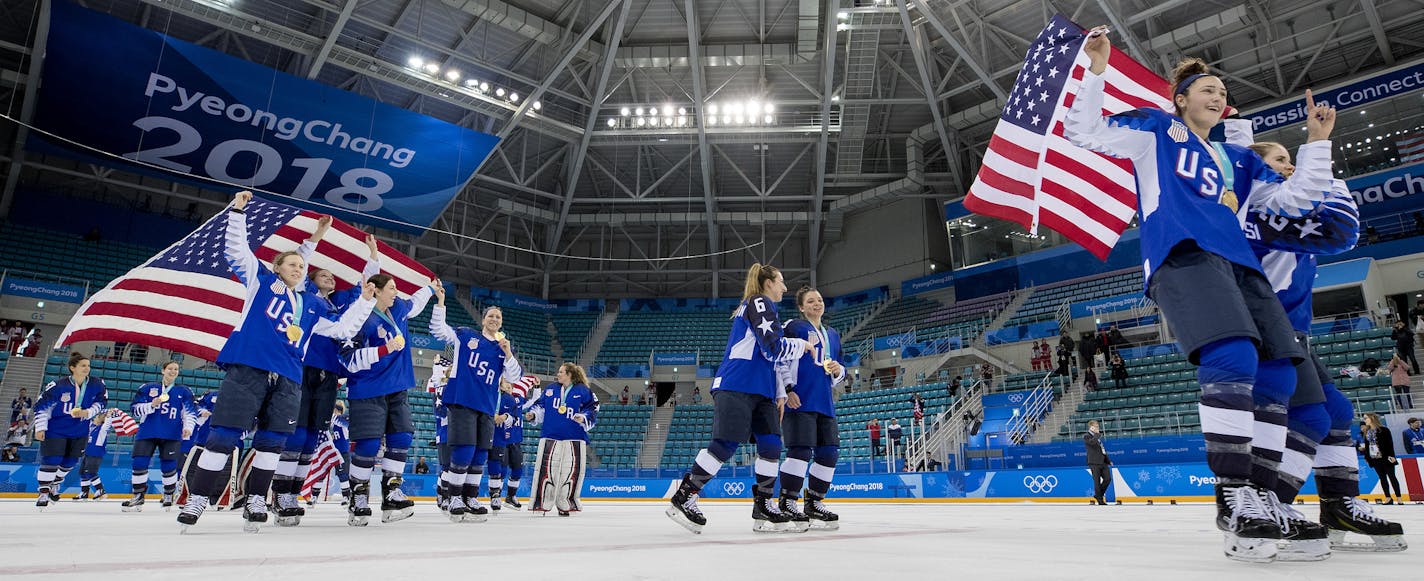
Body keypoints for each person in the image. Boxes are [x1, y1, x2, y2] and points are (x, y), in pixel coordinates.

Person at [1066, 29, 1337, 562]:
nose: (1216, 96)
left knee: (1279, 372)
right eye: (1205, 89)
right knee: (1232, 355)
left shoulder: (1236, 158)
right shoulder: (1157, 130)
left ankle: (1261, 496)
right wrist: (1096, 70)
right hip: (1184, 253)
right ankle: (1233, 493)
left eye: (1221, 90)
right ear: (1181, 99)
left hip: (1239, 263)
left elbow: (1300, 196)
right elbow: (1085, 131)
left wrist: (1318, 140)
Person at [176, 191, 379, 533]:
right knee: (224, 434)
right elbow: (237, 252)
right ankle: (199, 497)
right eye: (293, 265)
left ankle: (257, 498)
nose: (299, 269)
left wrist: (365, 301)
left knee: (272, 441)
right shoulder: (262, 283)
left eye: (302, 267)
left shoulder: (313, 306)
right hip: (249, 367)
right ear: (278, 268)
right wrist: (238, 213)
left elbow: (344, 328)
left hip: (288, 378)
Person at [664, 263, 813, 534]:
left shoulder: (766, 307)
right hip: (737, 384)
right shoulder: (758, 302)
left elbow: (768, 357)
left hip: (762, 390)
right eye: (781, 281)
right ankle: (684, 496)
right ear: (768, 282)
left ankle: (764, 506)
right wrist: (803, 346)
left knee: (770, 445)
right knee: (725, 444)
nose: (785, 287)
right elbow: (773, 347)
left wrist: (779, 391)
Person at [270, 219, 381, 526]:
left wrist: (373, 255)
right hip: (302, 370)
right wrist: (317, 236)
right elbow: (301, 263)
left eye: (332, 277)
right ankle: (281, 493)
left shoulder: (339, 306)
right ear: (311, 279)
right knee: (297, 431)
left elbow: (366, 288)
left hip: (329, 374)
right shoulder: (304, 297)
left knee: (313, 434)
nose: (329, 279)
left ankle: (294, 491)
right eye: (323, 275)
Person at [338, 271, 436, 526]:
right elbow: (347, 359)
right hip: (368, 388)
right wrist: (383, 350)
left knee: (402, 436)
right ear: (377, 290)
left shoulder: (400, 308)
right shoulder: (358, 316)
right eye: (391, 288)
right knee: (369, 445)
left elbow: (416, 302)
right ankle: (358, 496)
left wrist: (431, 287)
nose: (396, 292)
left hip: (398, 386)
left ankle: (392, 492)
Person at [429, 285, 523, 523]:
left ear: (501, 323)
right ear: (483, 319)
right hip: (462, 401)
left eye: (498, 317)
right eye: (491, 315)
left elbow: (514, 378)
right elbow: (439, 331)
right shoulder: (466, 336)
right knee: (464, 450)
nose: (494, 319)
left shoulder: (502, 350)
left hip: (487, 406)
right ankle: (455, 497)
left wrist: (509, 353)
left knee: (480, 453)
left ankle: (471, 497)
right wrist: (440, 301)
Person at [777, 285, 847, 531]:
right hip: (800, 398)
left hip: (825, 402)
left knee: (829, 453)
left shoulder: (833, 334)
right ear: (801, 307)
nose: (816, 304)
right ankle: (787, 501)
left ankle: (814, 502)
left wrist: (840, 371)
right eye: (810, 301)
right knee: (800, 451)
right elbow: (779, 357)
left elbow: (838, 369)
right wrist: (787, 389)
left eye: (819, 300)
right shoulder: (794, 326)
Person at [33, 352, 108, 508]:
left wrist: (87, 413)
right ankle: (44, 492)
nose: (87, 368)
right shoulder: (58, 386)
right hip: (56, 430)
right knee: (52, 460)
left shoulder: (97, 384)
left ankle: (56, 482)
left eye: (88, 365)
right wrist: (40, 428)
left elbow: (101, 403)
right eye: (83, 365)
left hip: (80, 430)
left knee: (70, 462)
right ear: (72, 368)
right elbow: (41, 408)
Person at [525, 363, 599, 516]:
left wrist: (583, 417)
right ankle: (542, 503)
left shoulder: (583, 391)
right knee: (545, 471)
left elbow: (593, 408)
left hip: (575, 438)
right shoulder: (551, 389)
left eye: (561, 372)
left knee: (570, 473)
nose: (558, 374)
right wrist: (533, 414)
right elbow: (540, 406)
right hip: (550, 436)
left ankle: (566, 504)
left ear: (570, 374)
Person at [123, 361, 197, 512]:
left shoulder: (184, 391)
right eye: (170, 368)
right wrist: (151, 405)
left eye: (176, 369)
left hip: (171, 433)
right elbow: (134, 409)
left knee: (169, 466)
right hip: (147, 432)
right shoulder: (148, 388)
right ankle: (138, 495)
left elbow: (190, 412)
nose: (173, 371)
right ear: (163, 370)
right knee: (139, 462)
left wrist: (188, 428)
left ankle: (169, 495)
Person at [488, 376, 538, 512]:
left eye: (511, 387)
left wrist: (536, 387)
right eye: (507, 386)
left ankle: (511, 496)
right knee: (501, 470)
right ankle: (495, 495)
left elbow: (533, 400)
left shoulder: (516, 402)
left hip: (515, 440)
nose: (510, 388)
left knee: (518, 469)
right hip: (501, 439)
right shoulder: (497, 396)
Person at [1359, 413, 1402, 505]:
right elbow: (1367, 446)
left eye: (1366, 418)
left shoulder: (1384, 430)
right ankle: (1388, 497)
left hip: (1386, 457)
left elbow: (1390, 444)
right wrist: (1367, 457)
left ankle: (1399, 497)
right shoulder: (1367, 431)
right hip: (1375, 458)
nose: (1365, 420)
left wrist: (1392, 456)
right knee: (1382, 478)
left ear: (1372, 418)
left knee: (1392, 477)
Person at [74, 411, 114, 502]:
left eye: (96, 417)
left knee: (91, 472)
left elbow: (108, 423)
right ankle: (84, 492)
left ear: (100, 419)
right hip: (87, 453)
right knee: (83, 473)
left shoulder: (102, 429)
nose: (94, 418)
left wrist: (108, 416)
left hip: (96, 453)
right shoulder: (92, 427)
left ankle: (100, 490)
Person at [1084, 420, 1112, 505]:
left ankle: (1098, 495)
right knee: (1097, 481)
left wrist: (1108, 460)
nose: (1097, 428)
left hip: (1103, 462)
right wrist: (1096, 435)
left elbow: (1102, 450)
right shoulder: (1086, 436)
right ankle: (1100, 500)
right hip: (1094, 462)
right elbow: (1092, 443)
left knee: (1108, 479)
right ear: (1091, 427)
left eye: (1097, 426)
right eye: (1095, 426)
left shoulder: (1098, 437)